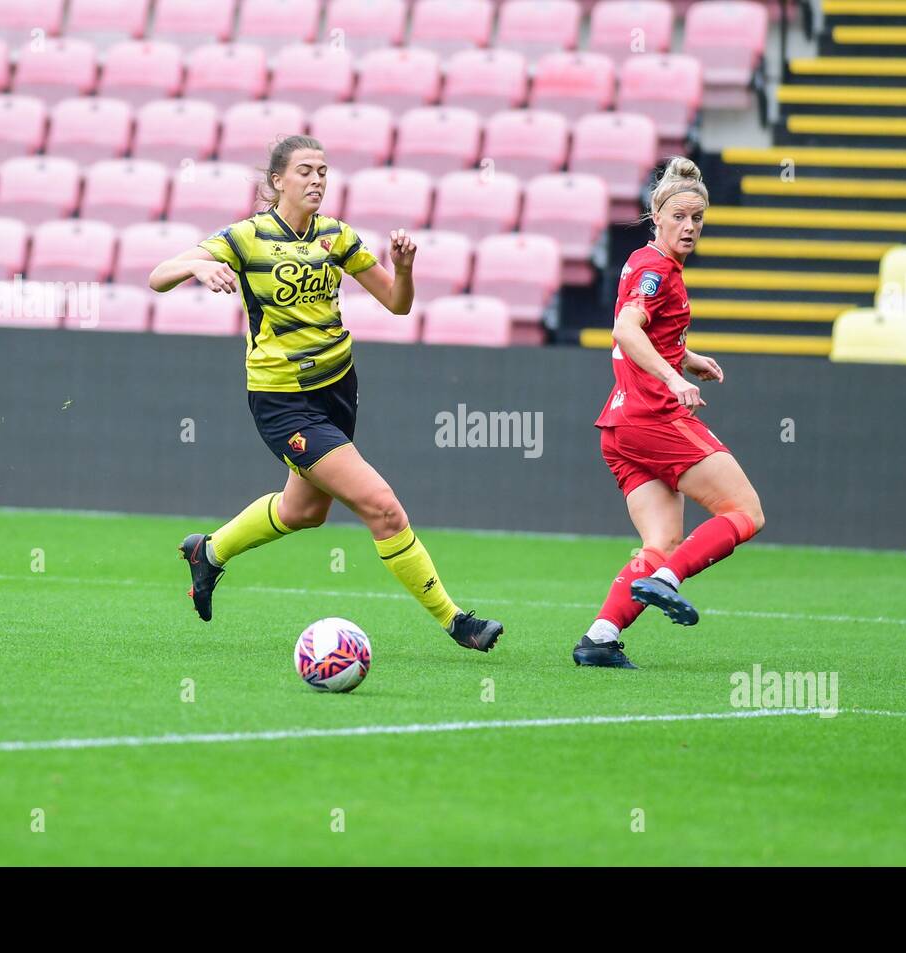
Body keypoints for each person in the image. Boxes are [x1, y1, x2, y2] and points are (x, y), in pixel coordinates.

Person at [149, 135, 503, 653]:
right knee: (383, 508)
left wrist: (402, 270)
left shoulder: (337, 236)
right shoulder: (246, 237)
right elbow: (159, 277)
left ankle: (209, 551)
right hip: (283, 400)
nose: (317, 180)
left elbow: (398, 304)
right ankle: (457, 622)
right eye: (306, 171)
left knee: (304, 512)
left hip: (338, 389)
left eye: (323, 171)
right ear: (277, 181)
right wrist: (198, 265)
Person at [574, 157, 765, 669]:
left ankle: (600, 637)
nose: (689, 227)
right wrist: (674, 378)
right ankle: (667, 580)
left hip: (618, 427)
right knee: (745, 512)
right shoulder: (659, 270)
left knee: (662, 540)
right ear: (655, 215)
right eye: (679, 216)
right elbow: (627, 331)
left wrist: (687, 357)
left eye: (697, 219)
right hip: (653, 419)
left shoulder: (642, 261)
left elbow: (645, 331)